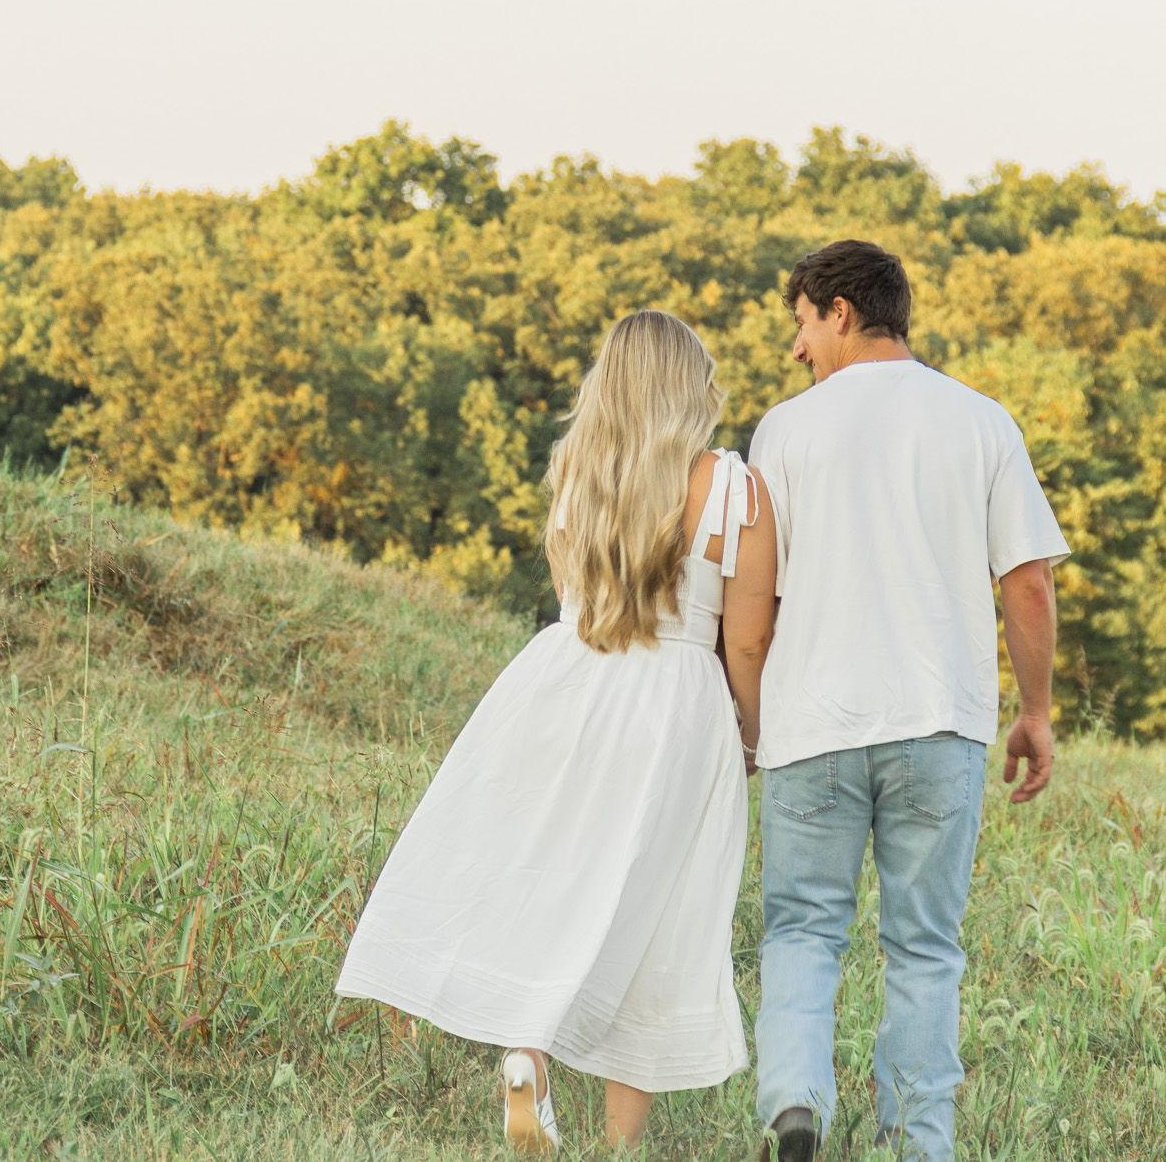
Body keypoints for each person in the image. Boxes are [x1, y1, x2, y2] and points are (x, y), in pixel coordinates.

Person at [335, 309, 777, 1154]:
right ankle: (618, 1145)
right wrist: (750, 735)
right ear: (691, 388)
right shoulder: (731, 487)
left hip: (566, 679)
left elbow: (574, 592)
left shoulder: (578, 470)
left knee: (550, 880)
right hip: (675, 702)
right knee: (662, 911)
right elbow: (749, 641)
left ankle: (527, 1054)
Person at [747, 240, 1069, 1162]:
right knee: (925, 946)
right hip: (937, 723)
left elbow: (758, 599)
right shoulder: (980, 421)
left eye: (802, 324)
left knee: (802, 930)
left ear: (840, 312)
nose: (797, 347)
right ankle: (917, 1145)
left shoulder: (783, 432)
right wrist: (1034, 712)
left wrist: (750, 717)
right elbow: (1027, 583)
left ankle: (793, 1104)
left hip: (811, 724)